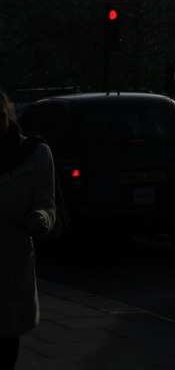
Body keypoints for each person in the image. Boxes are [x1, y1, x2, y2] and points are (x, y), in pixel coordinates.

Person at [0, 91, 55, 370]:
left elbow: (46, 204)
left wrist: (40, 219)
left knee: (8, 339)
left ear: (8, 116)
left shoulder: (34, 154)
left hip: (12, 260)